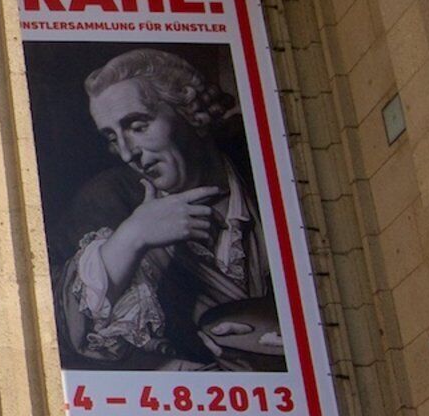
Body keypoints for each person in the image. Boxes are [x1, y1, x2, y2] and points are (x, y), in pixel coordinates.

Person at [52, 47, 279, 371]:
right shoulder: (106, 201)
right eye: (113, 137)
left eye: (137, 125)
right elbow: (64, 328)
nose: (128, 153)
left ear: (188, 110)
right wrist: (133, 237)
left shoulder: (260, 171)